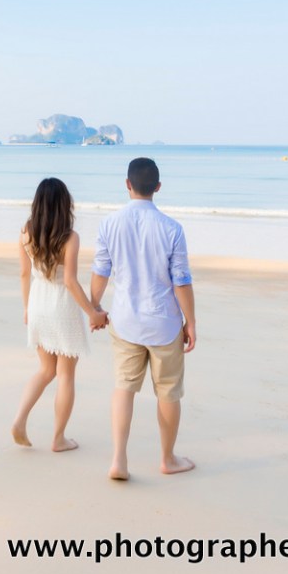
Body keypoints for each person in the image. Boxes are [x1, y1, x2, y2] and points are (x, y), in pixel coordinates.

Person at [90, 157, 197, 481]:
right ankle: (167, 459)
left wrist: (94, 308)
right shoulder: (172, 228)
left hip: (125, 321)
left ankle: (119, 459)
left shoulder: (109, 224)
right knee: (168, 392)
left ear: (127, 184)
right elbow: (181, 280)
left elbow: (100, 271)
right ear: (158, 188)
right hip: (163, 323)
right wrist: (190, 322)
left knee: (124, 388)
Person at [11, 177, 109, 452]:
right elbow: (69, 281)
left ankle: (19, 420)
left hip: (39, 302)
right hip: (62, 306)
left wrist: (26, 307)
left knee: (45, 370)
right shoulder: (70, 238)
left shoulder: (25, 232)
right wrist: (92, 312)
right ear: (65, 204)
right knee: (65, 375)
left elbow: (23, 273)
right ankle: (58, 439)